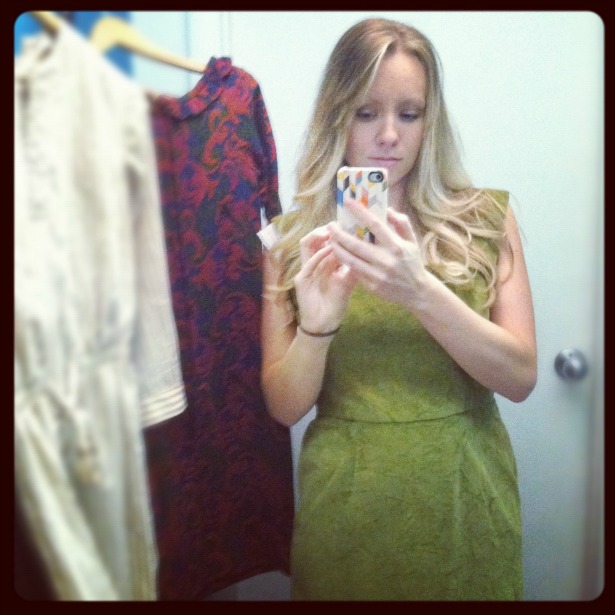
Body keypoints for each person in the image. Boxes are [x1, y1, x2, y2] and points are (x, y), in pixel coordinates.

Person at [260, 17, 537, 601]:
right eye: (366, 113)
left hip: (465, 496)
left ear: (430, 121)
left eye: (409, 114)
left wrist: (420, 292)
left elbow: (520, 378)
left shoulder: (485, 219)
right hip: (346, 504)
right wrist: (318, 327)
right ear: (336, 115)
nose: (388, 135)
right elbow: (284, 407)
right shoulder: (291, 240)